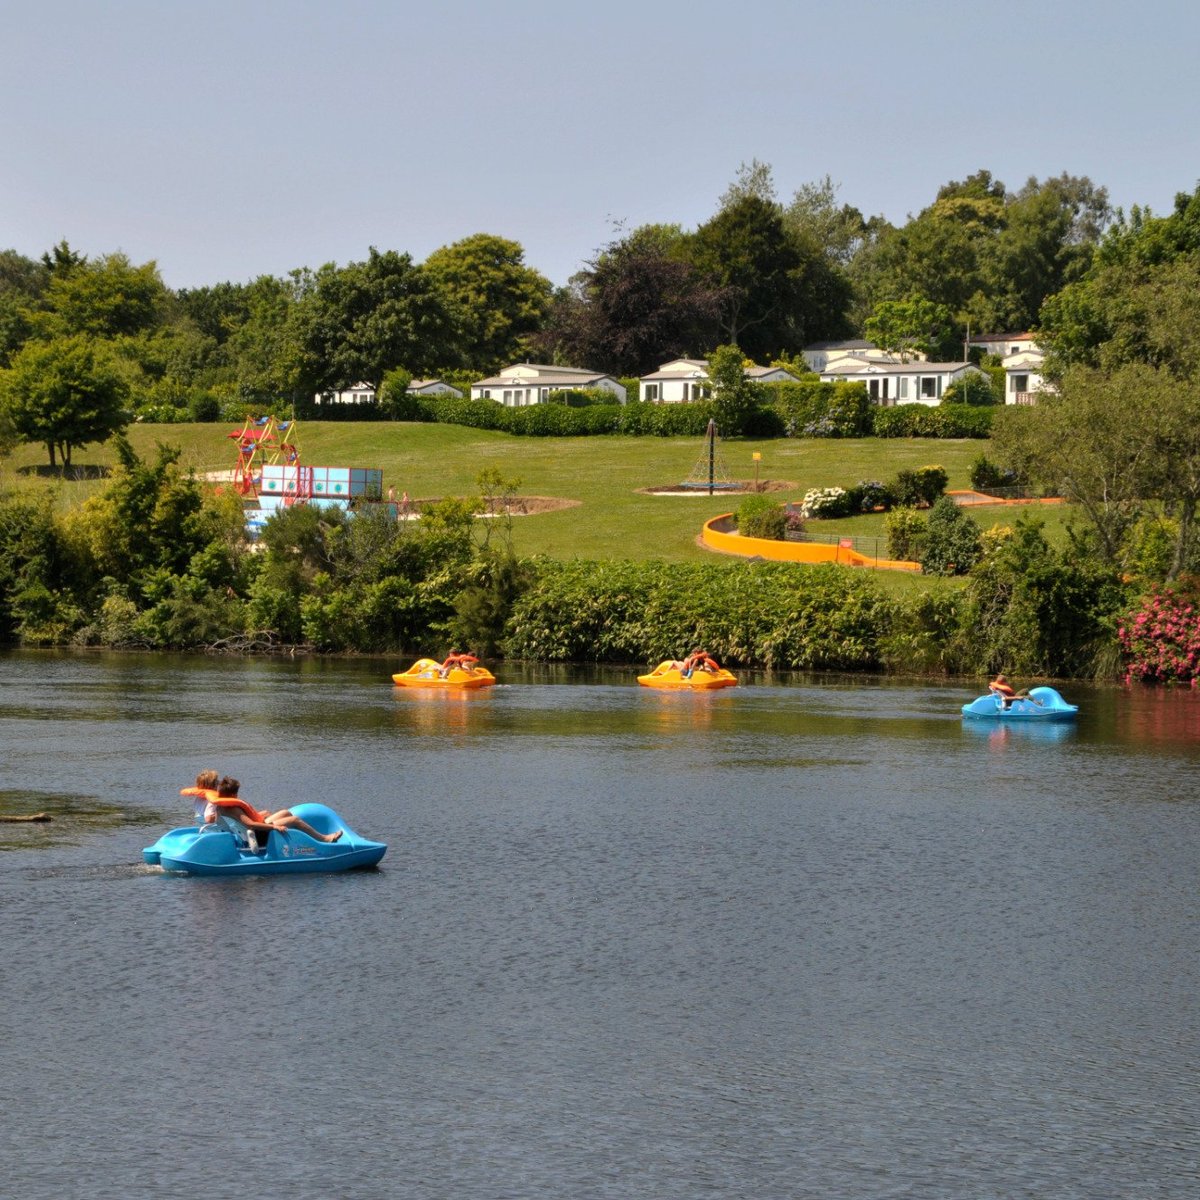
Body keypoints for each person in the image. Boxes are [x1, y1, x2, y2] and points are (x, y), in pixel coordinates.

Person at [208, 776, 342, 844]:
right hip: (257, 834)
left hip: (249, 832)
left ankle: (295, 842)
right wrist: (275, 828)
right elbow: (250, 824)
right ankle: (324, 839)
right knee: (294, 819)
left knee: (285, 812)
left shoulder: (221, 806)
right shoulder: (233, 809)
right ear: (232, 795)